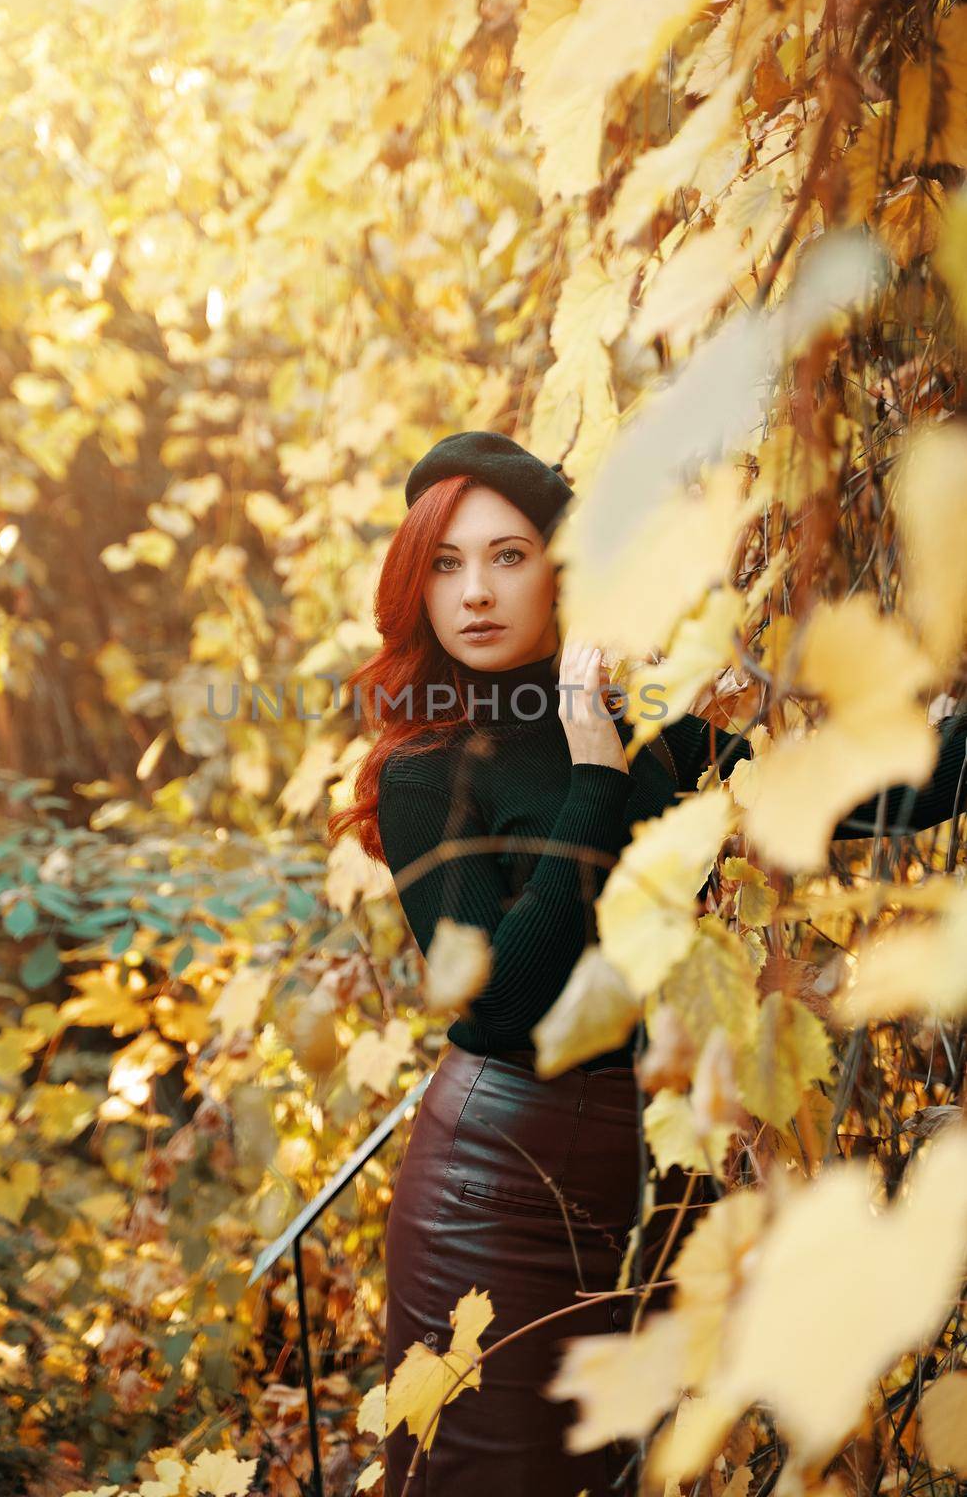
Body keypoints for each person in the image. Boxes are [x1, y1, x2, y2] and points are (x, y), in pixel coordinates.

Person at [327, 431, 967, 1497]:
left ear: (560, 569)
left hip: (651, 1177)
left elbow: (875, 794)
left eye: (507, 556)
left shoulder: (654, 735)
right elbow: (503, 1003)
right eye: (445, 563)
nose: (475, 591)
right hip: (494, 1184)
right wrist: (591, 773)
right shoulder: (423, 767)